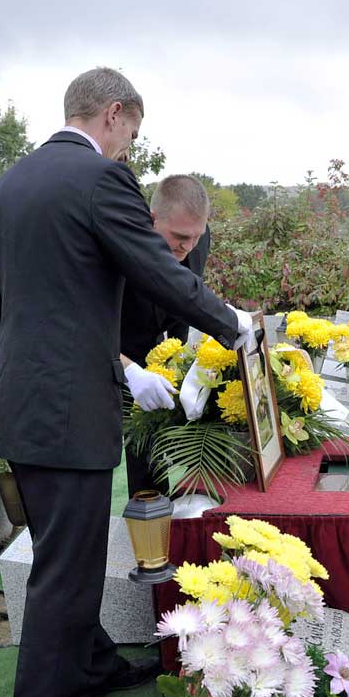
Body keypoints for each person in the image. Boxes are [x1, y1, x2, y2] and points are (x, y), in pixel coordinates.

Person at [0, 67, 254, 697]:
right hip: (68, 413)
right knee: (65, 571)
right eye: (131, 132)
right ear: (116, 114)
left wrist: (8, 383)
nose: (130, 146)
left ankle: (91, 665)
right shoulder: (102, 180)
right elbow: (156, 270)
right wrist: (234, 326)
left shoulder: (7, 186)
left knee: (66, 555)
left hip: (24, 403)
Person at [119, 174, 213, 496]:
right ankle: (144, 514)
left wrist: (177, 361)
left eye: (196, 237)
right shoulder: (121, 244)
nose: (187, 246)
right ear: (152, 220)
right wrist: (131, 372)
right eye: (179, 236)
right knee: (133, 435)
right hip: (117, 343)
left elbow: (186, 298)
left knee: (160, 428)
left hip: (164, 339)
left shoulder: (196, 240)